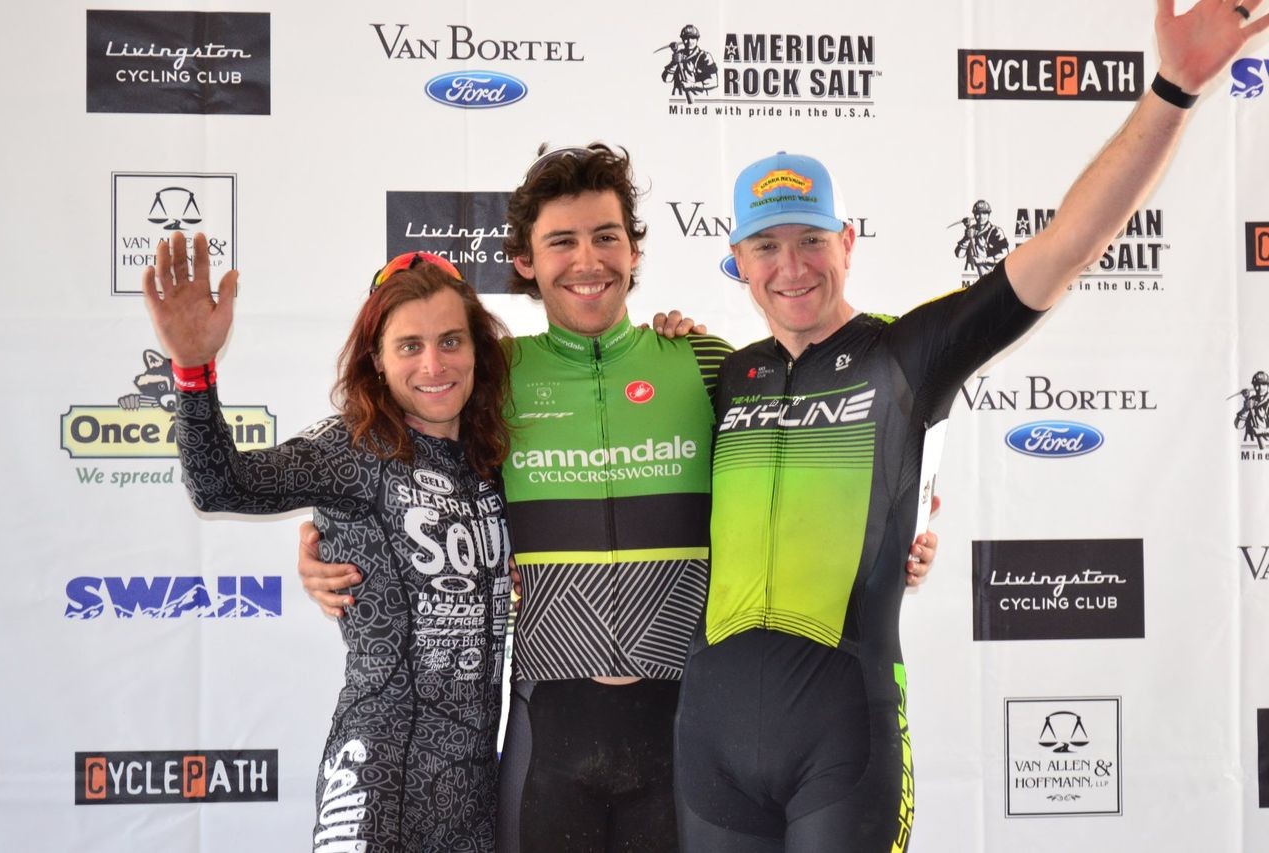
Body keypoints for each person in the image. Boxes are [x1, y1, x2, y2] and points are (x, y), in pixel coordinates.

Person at [674, 2, 1269, 851]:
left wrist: (1173, 87)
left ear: (848, 240)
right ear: (736, 260)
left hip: (842, 736)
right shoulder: (723, 375)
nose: (792, 266)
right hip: (709, 738)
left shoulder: (904, 357)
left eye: (812, 238)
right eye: (766, 247)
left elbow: (1065, 248)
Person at [299, 144, 939, 852]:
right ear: (525, 262)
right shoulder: (494, 379)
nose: (588, 260)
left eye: (606, 236)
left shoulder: (706, 363)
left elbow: (818, 478)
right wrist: (333, 554)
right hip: (549, 736)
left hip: (685, 732)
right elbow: (406, 466)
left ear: (635, 250)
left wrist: (901, 539)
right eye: (561, 242)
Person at [143, 233, 513, 851]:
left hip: (476, 783)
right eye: (409, 346)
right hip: (374, 768)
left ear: (477, 348)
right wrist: (193, 371)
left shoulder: (498, 457)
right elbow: (220, 485)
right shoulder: (350, 447)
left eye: (451, 341)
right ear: (377, 358)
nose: (433, 365)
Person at [953, 199, 1009, 275]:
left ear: (989, 214)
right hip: (973, 278)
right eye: (978, 213)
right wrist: (967, 238)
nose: (981, 217)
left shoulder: (995, 231)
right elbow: (959, 254)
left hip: (992, 276)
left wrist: (983, 260)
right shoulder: (970, 231)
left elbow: (1004, 255)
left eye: (984, 213)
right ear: (974, 215)